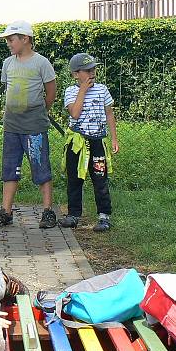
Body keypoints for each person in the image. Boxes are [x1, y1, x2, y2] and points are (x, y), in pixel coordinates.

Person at [0, 20, 58, 229]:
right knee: (10, 169)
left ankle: (47, 211)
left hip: (35, 127)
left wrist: (40, 111)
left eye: (11, 39)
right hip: (11, 127)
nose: (8, 43)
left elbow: (51, 92)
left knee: (41, 168)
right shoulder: (8, 63)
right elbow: (8, 88)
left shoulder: (41, 63)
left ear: (25, 39)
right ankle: (6, 212)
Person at [59, 53, 119, 232]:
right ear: (75, 74)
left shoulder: (102, 90)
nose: (92, 73)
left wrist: (114, 138)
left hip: (98, 141)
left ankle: (104, 216)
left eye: (94, 69)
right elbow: (75, 114)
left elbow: (109, 114)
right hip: (77, 143)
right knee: (74, 179)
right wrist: (83, 91)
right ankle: (73, 215)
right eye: (87, 70)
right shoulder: (71, 91)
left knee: (100, 179)